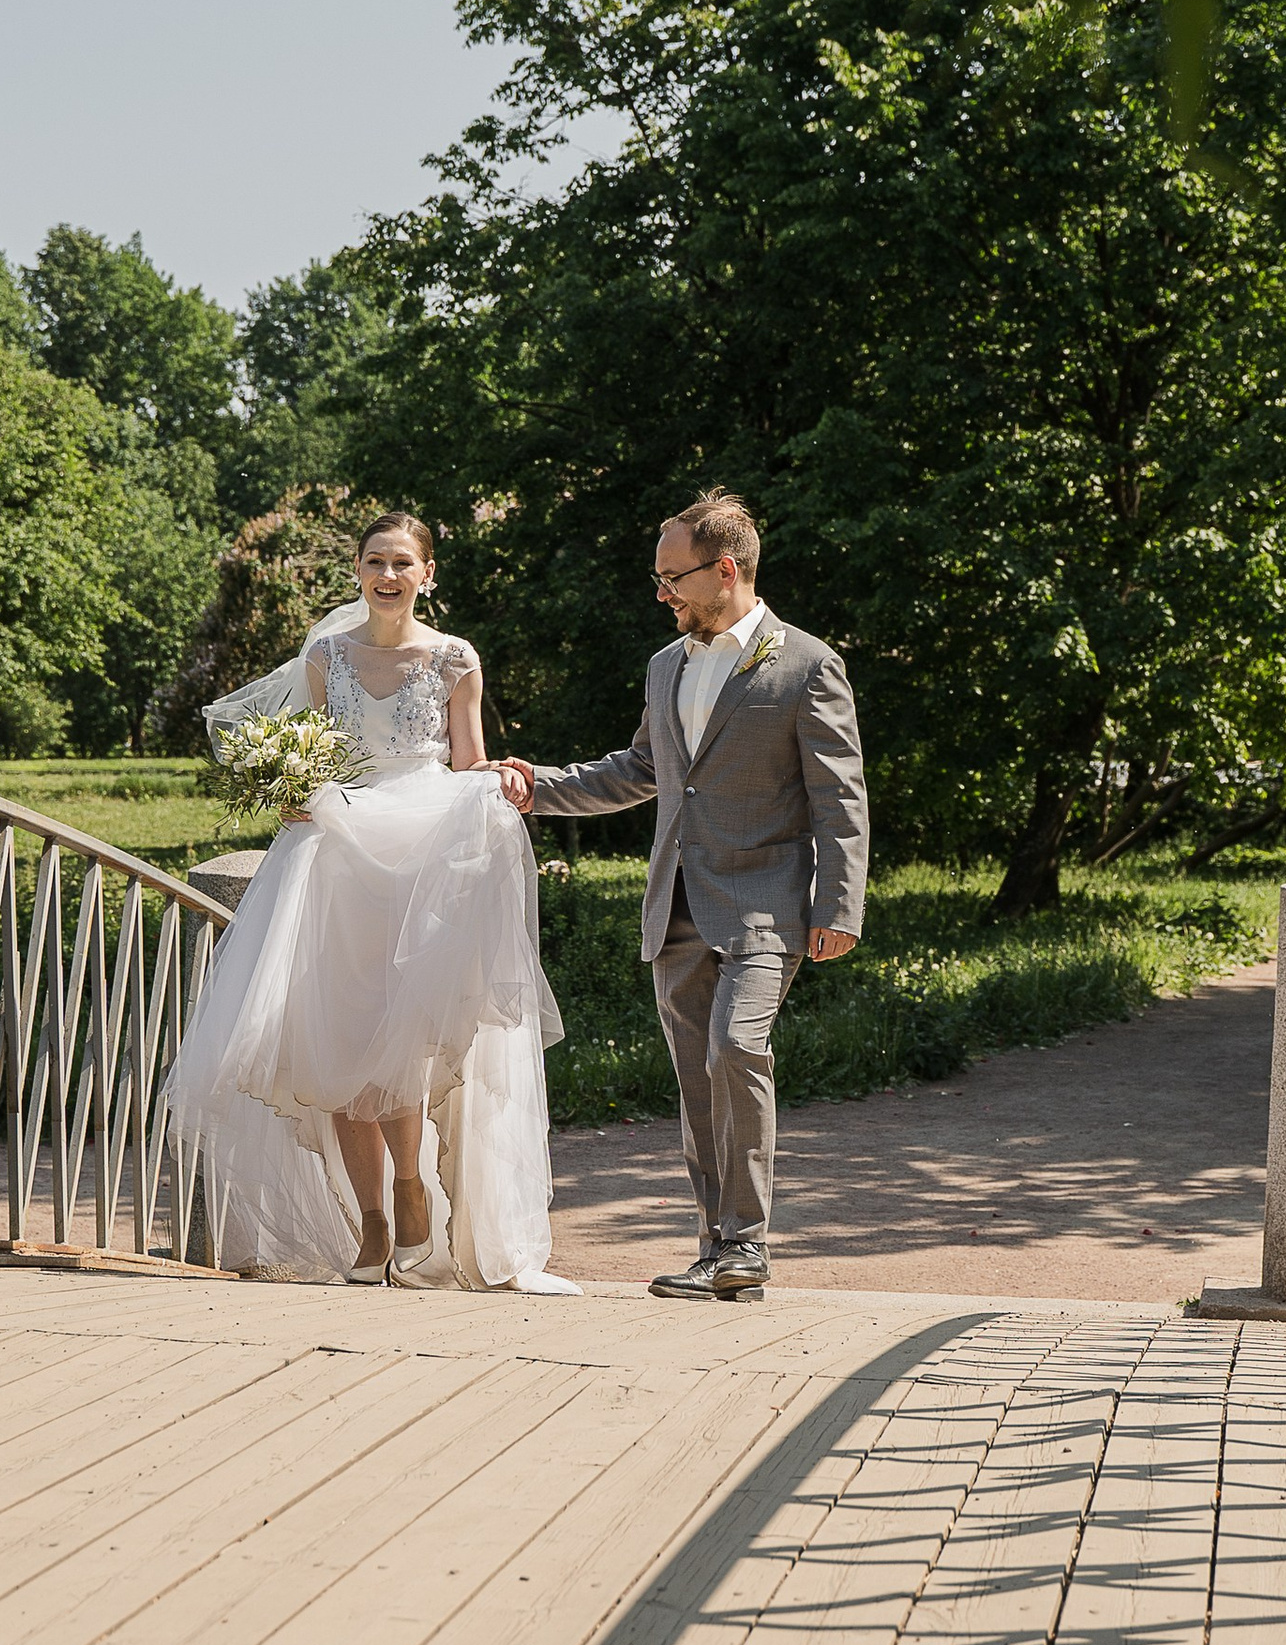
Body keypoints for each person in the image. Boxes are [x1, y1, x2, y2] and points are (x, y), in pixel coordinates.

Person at [165, 510, 571, 1289]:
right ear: (357, 571)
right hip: (342, 852)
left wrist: (502, 786)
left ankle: (412, 1188)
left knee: (403, 1040)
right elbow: (315, 755)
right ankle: (374, 1220)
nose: (388, 576)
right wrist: (292, 793)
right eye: (375, 562)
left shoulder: (455, 659)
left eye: (402, 563)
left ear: (426, 575)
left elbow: (470, 760)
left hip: (423, 852)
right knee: (342, 1042)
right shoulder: (327, 657)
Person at [497, 490, 867, 1301]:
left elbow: (840, 798)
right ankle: (719, 1250)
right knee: (698, 1080)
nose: (660, 593)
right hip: (677, 906)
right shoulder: (667, 666)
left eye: (672, 578)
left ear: (724, 570)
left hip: (768, 903)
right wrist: (537, 788)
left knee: (737, 1048)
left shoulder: (806, 664)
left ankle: (747, 1244)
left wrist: (837, 907)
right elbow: (639, 772)